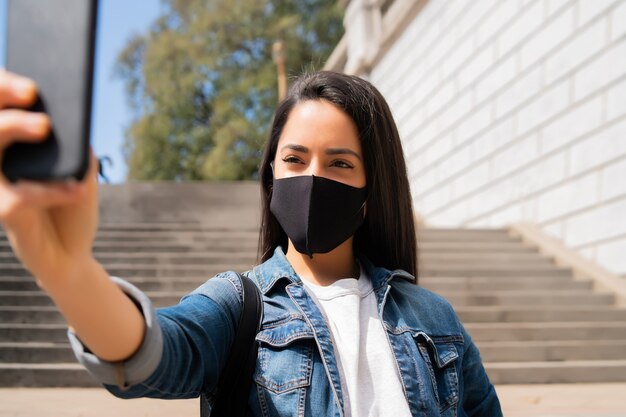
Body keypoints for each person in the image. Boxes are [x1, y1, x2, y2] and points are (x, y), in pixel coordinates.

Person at [0, 69, 502, 416]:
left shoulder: (434, 320)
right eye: (295, 159)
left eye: (340, 163)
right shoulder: (240, 306)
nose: (312, 177)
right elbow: (151, 352)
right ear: (270, 176)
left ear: (372, 191)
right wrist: (66, 271)